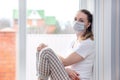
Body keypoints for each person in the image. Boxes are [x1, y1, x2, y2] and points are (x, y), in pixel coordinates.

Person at [36, 9, 95, 80]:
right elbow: (61, 61)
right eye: (75, 19)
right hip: (67, 76)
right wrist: (66, 70)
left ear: (88, 24)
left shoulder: (88, 43)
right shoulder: (73, 41)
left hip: (77, 78)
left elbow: (64, 61)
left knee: (46, 51)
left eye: (81, 20)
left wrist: (46, 48)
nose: (77, 22)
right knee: (40, 50)